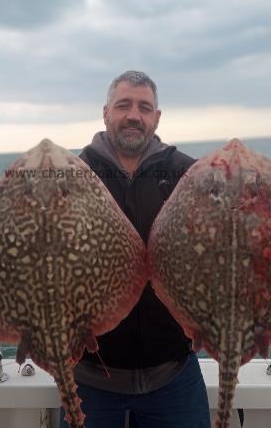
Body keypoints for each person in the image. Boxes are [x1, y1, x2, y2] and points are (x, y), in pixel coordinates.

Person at [62, 71, 210, 427]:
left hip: (173, 372)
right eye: (123, 105)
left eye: (144, 107)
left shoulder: (189, 175)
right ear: (105, 112)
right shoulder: (69, 175)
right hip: (88, 375)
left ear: (157, 117)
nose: (133, 115)